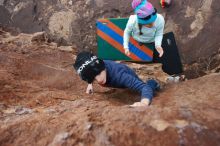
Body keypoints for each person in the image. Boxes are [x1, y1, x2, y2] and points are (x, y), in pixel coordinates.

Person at [73, 51, 160, 107]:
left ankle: (153, 82)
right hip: (113, 69)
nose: (99, 80)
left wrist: (144, 103)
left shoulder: (120, 76)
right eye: (94, 77)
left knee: (149, 90)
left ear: (102, 66)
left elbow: (144, 88)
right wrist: (90, 83)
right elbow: (91, 71)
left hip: (125, 72)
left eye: (99, 73)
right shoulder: (96, 66)